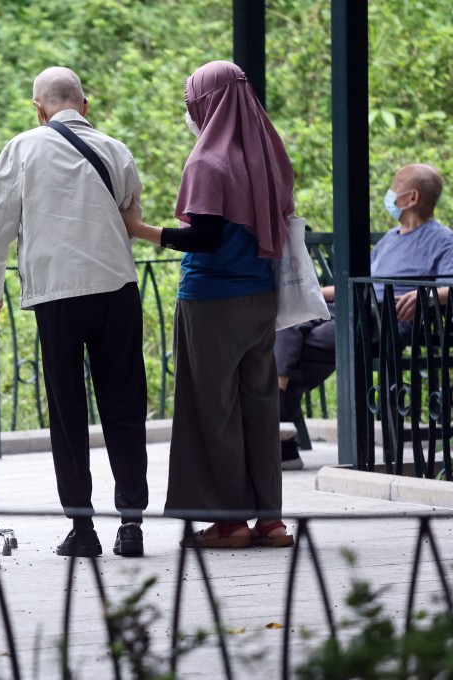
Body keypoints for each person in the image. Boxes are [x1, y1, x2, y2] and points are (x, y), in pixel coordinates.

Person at [0, 66, 149, 558]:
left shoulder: (23, 148)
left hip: (57, 296)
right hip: (117, 288)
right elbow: (129, 214)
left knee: (68, 412)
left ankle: (83, 528)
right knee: (124, 406)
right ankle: (131, 524)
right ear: (85, 105)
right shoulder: (116, 150)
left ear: (39, 108)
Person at [121, 60, 294, 549]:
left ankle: (228, 524)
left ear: (208, 102)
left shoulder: (206, 163)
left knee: (210, 409)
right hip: (261, 298)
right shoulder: (268, 156)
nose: (189, 111)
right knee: (260, 408)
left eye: (190, 101)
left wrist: (141, 230)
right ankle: (270, 521)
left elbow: (204, 237)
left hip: (211, 302)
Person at [276, 163, 453, 469]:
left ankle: (278, 429)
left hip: (386, 321)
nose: (388, 193)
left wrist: (423, 295)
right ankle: (279, 423)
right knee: (289, 319)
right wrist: (302, 296)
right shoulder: (390, 238)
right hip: (354, 311)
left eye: (394, 186)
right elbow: (359, 284)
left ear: (411, 197)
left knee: (296, 352)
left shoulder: (442, 239)